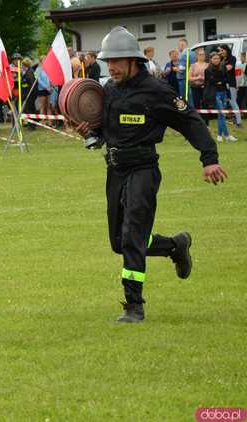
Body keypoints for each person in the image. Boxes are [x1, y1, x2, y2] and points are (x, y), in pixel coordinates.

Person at [74, 26, 227, 323]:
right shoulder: (109, 91)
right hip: (115, 170)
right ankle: (175, 245)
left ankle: (134, 306)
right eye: (108, 62)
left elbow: (192, 122)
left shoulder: (157, 91)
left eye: (116, 61)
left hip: (143, 170)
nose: (111, 67)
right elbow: (104, 131)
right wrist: (89, 131)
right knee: (120, 241)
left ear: (134, 60)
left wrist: (209, 159)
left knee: (132, 235)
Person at [205, 52, 237, 142]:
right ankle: (226, 135)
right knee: (222, 114)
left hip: (223, 92)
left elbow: (226, 79)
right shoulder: (207, 70)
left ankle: (219, 136)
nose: (216, 60)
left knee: (221, 115)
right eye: (214, 58)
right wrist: (219, 80)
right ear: (210, 59)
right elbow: (211, 81)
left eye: (218, 58)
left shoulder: (223, 68)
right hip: (215, 94)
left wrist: (219, 81)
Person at [219, 45, 242, 127]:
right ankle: (233, 119)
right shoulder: (222, 59)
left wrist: (218, 67)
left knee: (233, 102)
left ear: (226, 50)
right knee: (227, 102)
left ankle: (238, 122)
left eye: (222, 50)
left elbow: (229, 68)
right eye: (220, 51)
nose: (221, 52)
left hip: (230, 84)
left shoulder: (232, 58)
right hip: (223, 83)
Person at [189, 48, 209, 125]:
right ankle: (198, 122)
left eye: (203, 54)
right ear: (197, 56)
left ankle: (206, 123)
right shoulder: (193, 65)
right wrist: (197, 78)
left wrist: (203, 78)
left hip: (205, 87)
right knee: (196, 104)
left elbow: (210, 77)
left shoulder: (208, 65)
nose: (202, 56)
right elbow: (189, 78)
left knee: (205, 104)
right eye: (200, 54)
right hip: (195, 87)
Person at [176, 38, 196, 106]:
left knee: (185, 98)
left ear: (182, 45)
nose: (178, 47)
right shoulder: (192, 53)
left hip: (183, 79)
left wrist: (176, 68)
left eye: (178, 45)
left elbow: (181, 69)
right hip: (190, 78)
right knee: (190, 97)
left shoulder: (184, 54)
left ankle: (187, 114)